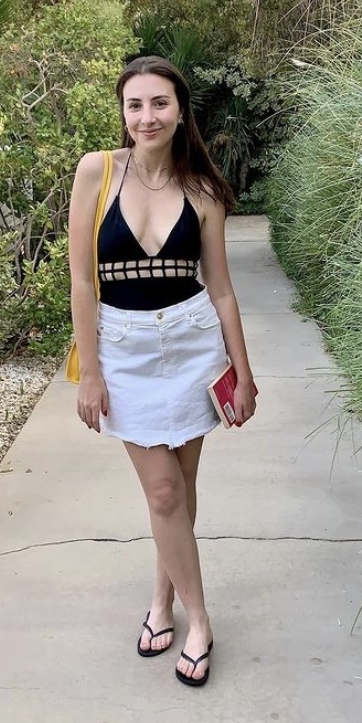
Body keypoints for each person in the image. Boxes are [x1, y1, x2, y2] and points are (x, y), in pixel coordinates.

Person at [67, 55, 257, 687]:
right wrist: (90, 372)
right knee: (165, 492)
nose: (146, 116)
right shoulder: (96, 172)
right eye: (135, 104)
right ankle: (200, 620)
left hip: (193, 345)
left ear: (180, 111)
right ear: (123, 112)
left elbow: (221, 289)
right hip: (124, 352)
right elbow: (81, 280)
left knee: (178, 487)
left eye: (159, 103)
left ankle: (162, 601)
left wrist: (243, 372)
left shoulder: (202, 190)